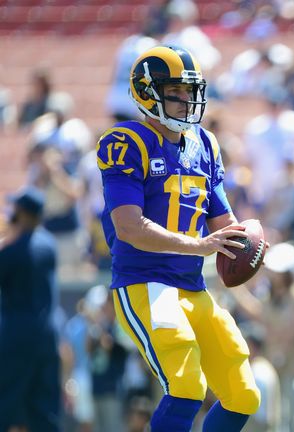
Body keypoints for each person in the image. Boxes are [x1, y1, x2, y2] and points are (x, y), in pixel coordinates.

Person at [97, 45, 260, 431]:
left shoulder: (204, 144)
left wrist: (247, 244)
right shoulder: (127, 141)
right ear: (147, 92)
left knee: (243, 395)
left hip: (192, 286)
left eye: (191, 90)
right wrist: (200, 246)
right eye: (176, 91)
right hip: (145, 283)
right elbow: (129, 227)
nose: (187, 99)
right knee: (187, 385)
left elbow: (224, 222)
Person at [0, 187, 60, 431]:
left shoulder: (13, 251)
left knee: (6, 401)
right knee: (44, 405)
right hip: (47, 333)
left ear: (23, 214)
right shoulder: (49, 244)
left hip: (17, 333)